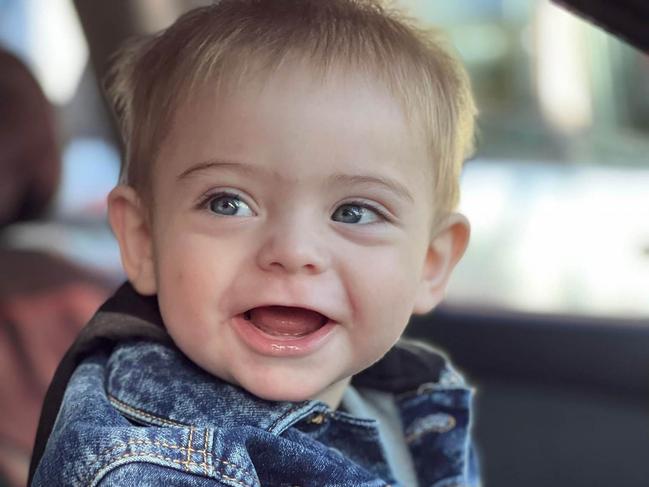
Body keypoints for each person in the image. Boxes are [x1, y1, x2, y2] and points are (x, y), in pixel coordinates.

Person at [30, 1, 478, 485]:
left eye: (354, 213)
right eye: (229, 203)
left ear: (431, 263)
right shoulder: (148, 464)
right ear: (143, 241)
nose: (292, 251)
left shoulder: (408, 408)